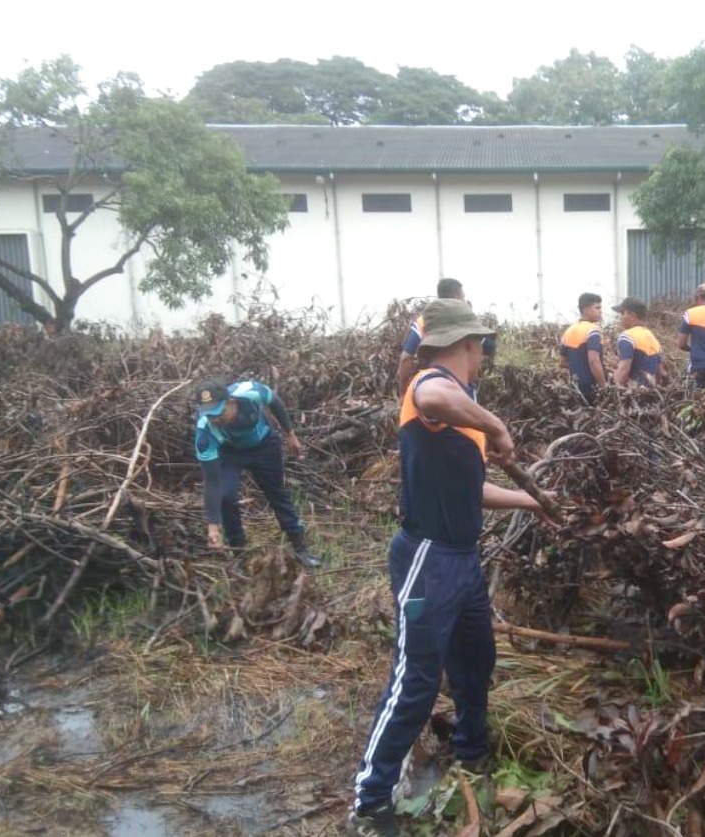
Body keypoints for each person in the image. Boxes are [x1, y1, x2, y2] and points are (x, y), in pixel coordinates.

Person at [349, 299, 550, 836]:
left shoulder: (461, 407)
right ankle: (370, 802)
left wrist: (534, 502)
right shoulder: (430, 387)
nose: (484, 355)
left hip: (463, 561)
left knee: (475, 659)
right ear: (469, 345)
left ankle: (472, 752)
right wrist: (498, 424)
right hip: (427, 558)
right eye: (481, 347)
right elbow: (430, 393)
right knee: (415, 681)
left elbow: (472, 488)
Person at [194, 378, 321, 569]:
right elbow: (212, 481)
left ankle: (300, 548)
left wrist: (290, 435)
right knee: (226, 496)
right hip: (230, 453)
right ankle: (239, 552)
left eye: (219, 413)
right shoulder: (204, 432)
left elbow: (275, 401)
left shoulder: (250, 392)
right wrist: (213, 527)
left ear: (231, 402)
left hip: (264, 446)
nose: (215, 420)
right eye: (210, 415)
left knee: (276, 493)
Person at [395, 278, 496, 397]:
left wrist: (403, 393)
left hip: (426, 392)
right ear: (457, 297)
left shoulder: (423, 322)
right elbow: (489, 347)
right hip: (457, 389)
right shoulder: (463, 323)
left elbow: (405, 359)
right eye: (463, 297)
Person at [559, 292, 606, 403]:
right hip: (592, 389)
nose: (600, 311)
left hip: (575, 389)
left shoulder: (568, 331)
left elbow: (562, 363)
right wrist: (604, 386)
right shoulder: (593, 330)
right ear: (586, 310)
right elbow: (593, 361)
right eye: (597, 308)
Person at [612, 297, 661, 387]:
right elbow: (659, 372)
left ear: (633, 316)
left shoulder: (626, 337)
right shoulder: (653, 338)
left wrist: (614, 389)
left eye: (622, 313)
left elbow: (624, 369)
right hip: (651, 394)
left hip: (633, 393)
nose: (621, 317)